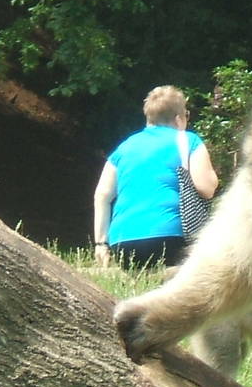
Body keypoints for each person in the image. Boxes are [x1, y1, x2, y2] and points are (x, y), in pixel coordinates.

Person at [92, 86, 219, 268]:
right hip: (171, 238)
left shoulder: (125, 147)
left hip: (123, 244)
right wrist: (214, 178)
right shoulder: (188, 140)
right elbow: (205, 188)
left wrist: (101, 243)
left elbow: (102, 195)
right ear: (179, 118)